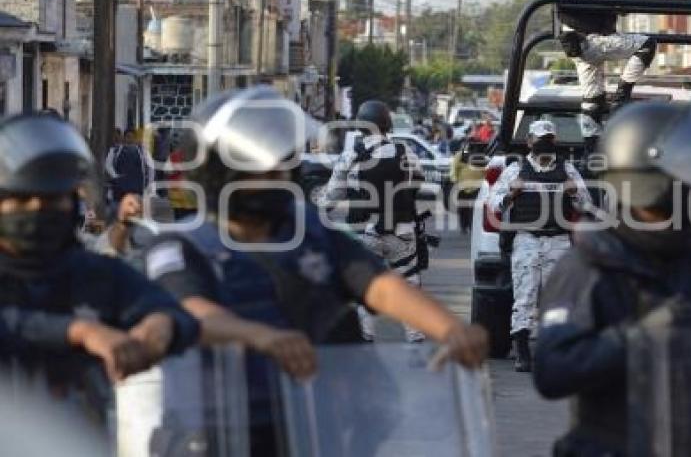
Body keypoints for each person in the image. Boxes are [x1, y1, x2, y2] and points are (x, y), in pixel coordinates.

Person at [145, 87, 488, 455]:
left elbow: (378, 284)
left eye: (284, 163)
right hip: (219, 432)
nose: (281, 174)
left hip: (312, 424)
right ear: (222, 172)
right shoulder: (182, 245)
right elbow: (191, 310)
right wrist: (259, 336)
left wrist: (451, 329)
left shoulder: (309, 231)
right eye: (265, 167)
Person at [533, 102, 691, 456]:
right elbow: (553, 370)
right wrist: (642, 336)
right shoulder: (591, 265)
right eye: (689, 171)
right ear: (651, 183)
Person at [0, 114, 198, 405]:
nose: (37, 211)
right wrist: (79, 331)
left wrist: (162, 324)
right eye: (21, 200)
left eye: (52, 200)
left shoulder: (93, 272)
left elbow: (172, 313)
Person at [320, 99, 428, 342]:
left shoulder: (351, 155)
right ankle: (415, 338)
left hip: (364, 233)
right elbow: (417, 181)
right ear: (386, 123)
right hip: (401, 233)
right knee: (409, 285)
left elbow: (333, 195)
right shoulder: (404, 151)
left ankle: (365, 337)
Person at [489, 119, 592, 372]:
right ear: (529, 142)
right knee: (524, 297)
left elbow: (586, 205)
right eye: (539, 139)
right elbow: (494, 205)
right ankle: (522, 354)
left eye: (548, 139)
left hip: (557, 240)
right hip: (526, 239)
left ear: (554, 142)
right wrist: (511, 195)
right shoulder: (516, 170)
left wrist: (573, 193)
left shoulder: (567, 170)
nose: (544, 144)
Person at [559, 0, 656, 146]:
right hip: (593, 40)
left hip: (578, 45)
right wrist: (623, 5)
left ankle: (591, 150)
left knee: (592, 100)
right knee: (647, 44)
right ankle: (622, 96)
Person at [105, 128, 154, 204]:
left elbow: (150, 167)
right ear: (124, 138)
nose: (130, 139)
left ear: (135, 138)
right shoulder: (115, 150)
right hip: (120, 187)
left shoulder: (143, 151)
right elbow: (108, 164)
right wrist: (115, 176)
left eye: (132, 137)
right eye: (128, 137)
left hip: (137, 187)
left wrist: (149, 183)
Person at [449, 139, 487, 233]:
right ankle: (464, 226)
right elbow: (453, 169)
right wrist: (454, 180)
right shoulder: (460, 156)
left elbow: (485, 171)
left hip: (477, 187)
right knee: (463, 208)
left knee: (473, 209)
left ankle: (472, 226)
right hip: (462, 187)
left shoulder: (481, 157)